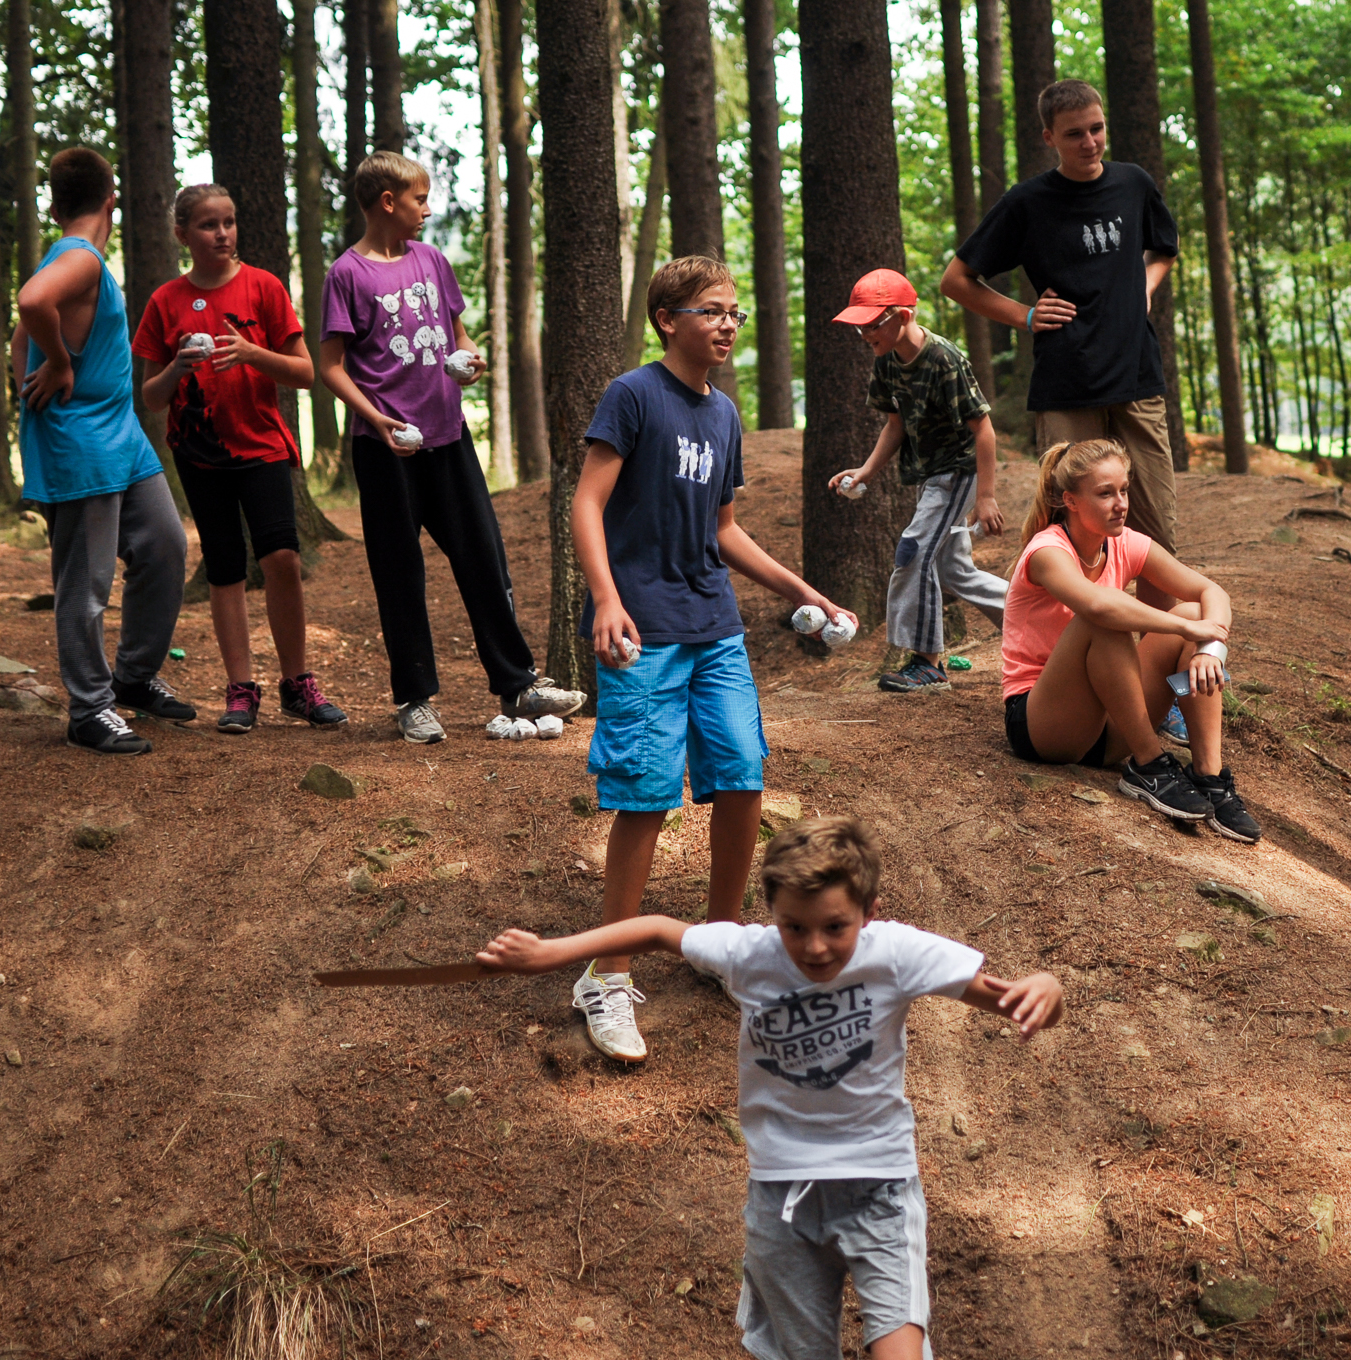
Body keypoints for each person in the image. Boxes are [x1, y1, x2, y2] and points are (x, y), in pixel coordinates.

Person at [476, 815, 1063, 1360]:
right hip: (781, 1196)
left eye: (835, 927)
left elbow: (1011, 997)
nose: (814, 946)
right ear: (772, 913)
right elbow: (657, 929)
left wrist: (1047, 989)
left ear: (869, 912)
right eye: (794, 927)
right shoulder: (752, 954)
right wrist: (552, 953)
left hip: (879, 1185)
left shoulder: (897, 953)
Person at [567, 254, 857, 1064]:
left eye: (735, 312)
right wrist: (606, 598)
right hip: (643, 630)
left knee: (742, 776)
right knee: (646, 793)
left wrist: (805, 591)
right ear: (668, 320)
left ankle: (722, 943)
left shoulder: (724, 414)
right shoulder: (633, 396)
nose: (728, 324)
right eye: (711, 311)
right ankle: (608, 973)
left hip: (715, 626)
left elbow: (723, 529)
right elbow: (586, 502)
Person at [319, 150, 583, 743]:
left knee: (483, 556)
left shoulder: (432, 261)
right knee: (399, 572)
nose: (427, 209)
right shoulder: (347, 274)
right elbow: (330, 366)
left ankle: (518, 684)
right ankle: (414, 699)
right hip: (385, 449)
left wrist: (469, 360)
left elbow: (457, 334)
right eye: (419, 200)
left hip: (449, 437)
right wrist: (377, 420)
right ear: (388, 202)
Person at [939, 80, 1180, 577]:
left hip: (1137, 375)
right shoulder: (1028, 202)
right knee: (1072, 532)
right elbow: (956, 280)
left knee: (1156, 532)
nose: (1090, 143)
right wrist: (1025, 316)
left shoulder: (1133, 184)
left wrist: (1145, 286)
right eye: (1074, 134)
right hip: (1068, 382)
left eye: (1097, 129)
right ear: (1049, 137)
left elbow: (1164, 249)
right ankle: (1080, 624)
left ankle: (1159, 628)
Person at [133, 183, 347, 734]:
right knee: (225, 567)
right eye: (208, 225)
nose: (222, 233)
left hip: (261, 447)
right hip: (199, 453)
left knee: (283, 559)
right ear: (182, 234)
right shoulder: (165, 301)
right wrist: (178, 367)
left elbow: (306, 373)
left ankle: (297, 684)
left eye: (228, 222)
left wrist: (253, 353)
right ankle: (241, 689)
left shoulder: (263, 287)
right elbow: (150, 397)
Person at [14, 148, 192, 755]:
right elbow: (31, 304)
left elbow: (18, 339)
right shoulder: (80, 258)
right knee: (86, 582)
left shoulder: (71, 257)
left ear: (55, 206)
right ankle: (89, 710)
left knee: (164, 545)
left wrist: (35, 372)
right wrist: (59, 366)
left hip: (123, 435)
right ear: (111, 200)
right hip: (83, 440)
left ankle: (133, 677)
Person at [1000, 439, 1260, 844]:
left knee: (1195, 612)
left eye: (1123, 490)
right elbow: (1099, 607)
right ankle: (1149, 763)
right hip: (1045, 724)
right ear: (1071, 500)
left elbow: (1212, 592)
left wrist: (1211, 647)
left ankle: (1208, 775)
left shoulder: (1125, 542)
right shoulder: (1047, 551)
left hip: (1110, 724)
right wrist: (1185, 630)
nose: (1120, 503)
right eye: (1105, 494)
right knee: (1105, 618)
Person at [827, 269, 1007, 694]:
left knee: (913, 550)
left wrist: (986, 496)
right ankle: (1037, 620)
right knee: (954, 570)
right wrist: (866, 471)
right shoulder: (886, 362)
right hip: (929, 476)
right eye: (859, 326)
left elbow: (984, 429)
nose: (864, 334)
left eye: (872, 324)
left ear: (903, 316)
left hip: (958, 470)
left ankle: (928, 664)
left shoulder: (945, 360)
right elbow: (896, 424)